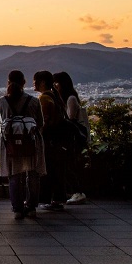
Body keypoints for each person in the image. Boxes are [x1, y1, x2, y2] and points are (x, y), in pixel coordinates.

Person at [0, 70, 46, 219]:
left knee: (14, 175)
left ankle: (17, 208)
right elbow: (40, 123)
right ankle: (31, 207)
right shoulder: (34, 101)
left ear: (8, 83)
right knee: (32, 174)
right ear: (24, 83)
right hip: (31, 143)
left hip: (11, 144)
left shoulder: (3, 101)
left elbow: (3, 120)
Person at [34, 71, 67, 211]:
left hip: (48, 140)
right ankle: (57, 199)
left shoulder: (44, 99)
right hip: (57, 140)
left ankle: (52, 199)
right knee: (55, 169)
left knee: (49, 169)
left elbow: (44, 121)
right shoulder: (55, 96)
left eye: (35, 81)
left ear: (42, 82)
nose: (33, 83)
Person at [54, 71, 87, 205]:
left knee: (70, 165)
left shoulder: (70, 98)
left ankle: (78, 192)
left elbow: (70, 118)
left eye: (56, 82)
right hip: (70, 138)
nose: (54, 85)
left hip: (72, 138)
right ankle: (74, 192)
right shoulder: (66, 97)